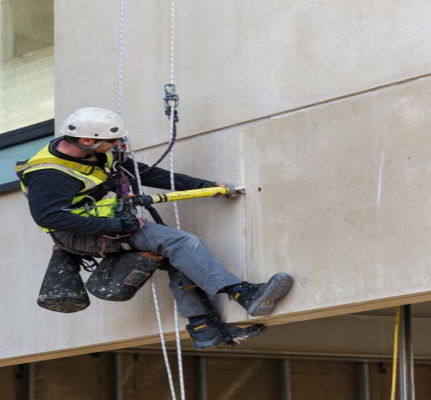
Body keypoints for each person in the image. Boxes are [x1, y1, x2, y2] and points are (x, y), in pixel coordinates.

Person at [17, 107, 294, 350]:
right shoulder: (50, 174)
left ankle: (203, 328)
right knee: (182, 243)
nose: (117, 144)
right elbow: (50, 218)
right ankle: (243, 293)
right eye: (111, 140)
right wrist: (115, 224)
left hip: (107, 223)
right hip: (81, 234)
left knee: (182, 260)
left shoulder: (100, 153)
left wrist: (205, 188)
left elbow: (146, 174)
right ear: (87, 140)